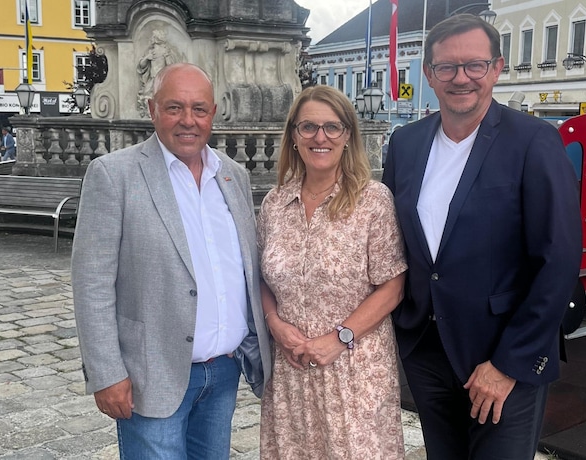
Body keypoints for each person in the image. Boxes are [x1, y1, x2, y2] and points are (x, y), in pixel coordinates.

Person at [382, 14, 582, 459]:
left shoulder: (534, 142)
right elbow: (393, 241)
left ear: (496, 68)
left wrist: (509, 364)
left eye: (474, 65)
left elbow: (560, 261)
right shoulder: (407, 143)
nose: (461, 78)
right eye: (447, 67)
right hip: (428, 352)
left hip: (501, 353)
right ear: (429, 74)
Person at [72, 63, 271, 459]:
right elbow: (91, 282)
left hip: (223, 372)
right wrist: (106, 373)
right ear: (152, 110)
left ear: (214, 113)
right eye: (174, 107)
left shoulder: (232, 175)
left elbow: (245, 269)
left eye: (199, 109)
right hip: (151, 374)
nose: (188, 120)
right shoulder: (114, 175)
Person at [258, 85, 407, 459]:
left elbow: (393, 286)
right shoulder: (275, 203)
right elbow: (261, 276)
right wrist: (273, 321)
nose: (319, 137)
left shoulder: (372, 200)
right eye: (308, 127)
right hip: (291, 367)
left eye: (332, 127)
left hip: (355, 369)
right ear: (293, 136)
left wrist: (339, 338)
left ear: (347, 137)